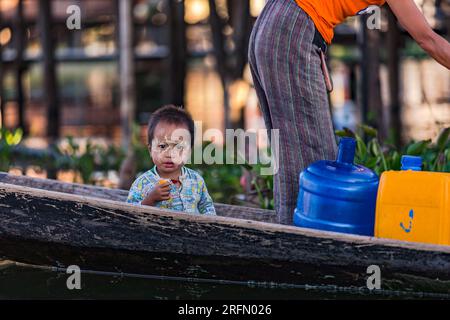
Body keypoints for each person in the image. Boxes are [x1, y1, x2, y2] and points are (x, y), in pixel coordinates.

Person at [248, 0, 450, 225]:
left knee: (291, 155)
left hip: (272, 22)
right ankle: (306, 253)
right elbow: (427, 39)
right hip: (291, 29)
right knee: (317, 165)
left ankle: (287, 241)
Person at [126, 105, 216, 215]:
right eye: (162, 146)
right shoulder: (142, 183)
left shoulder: (196, 180)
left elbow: (207, 207)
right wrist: (150, 200)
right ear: (150, 150)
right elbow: (129, 214)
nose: (170, 154)